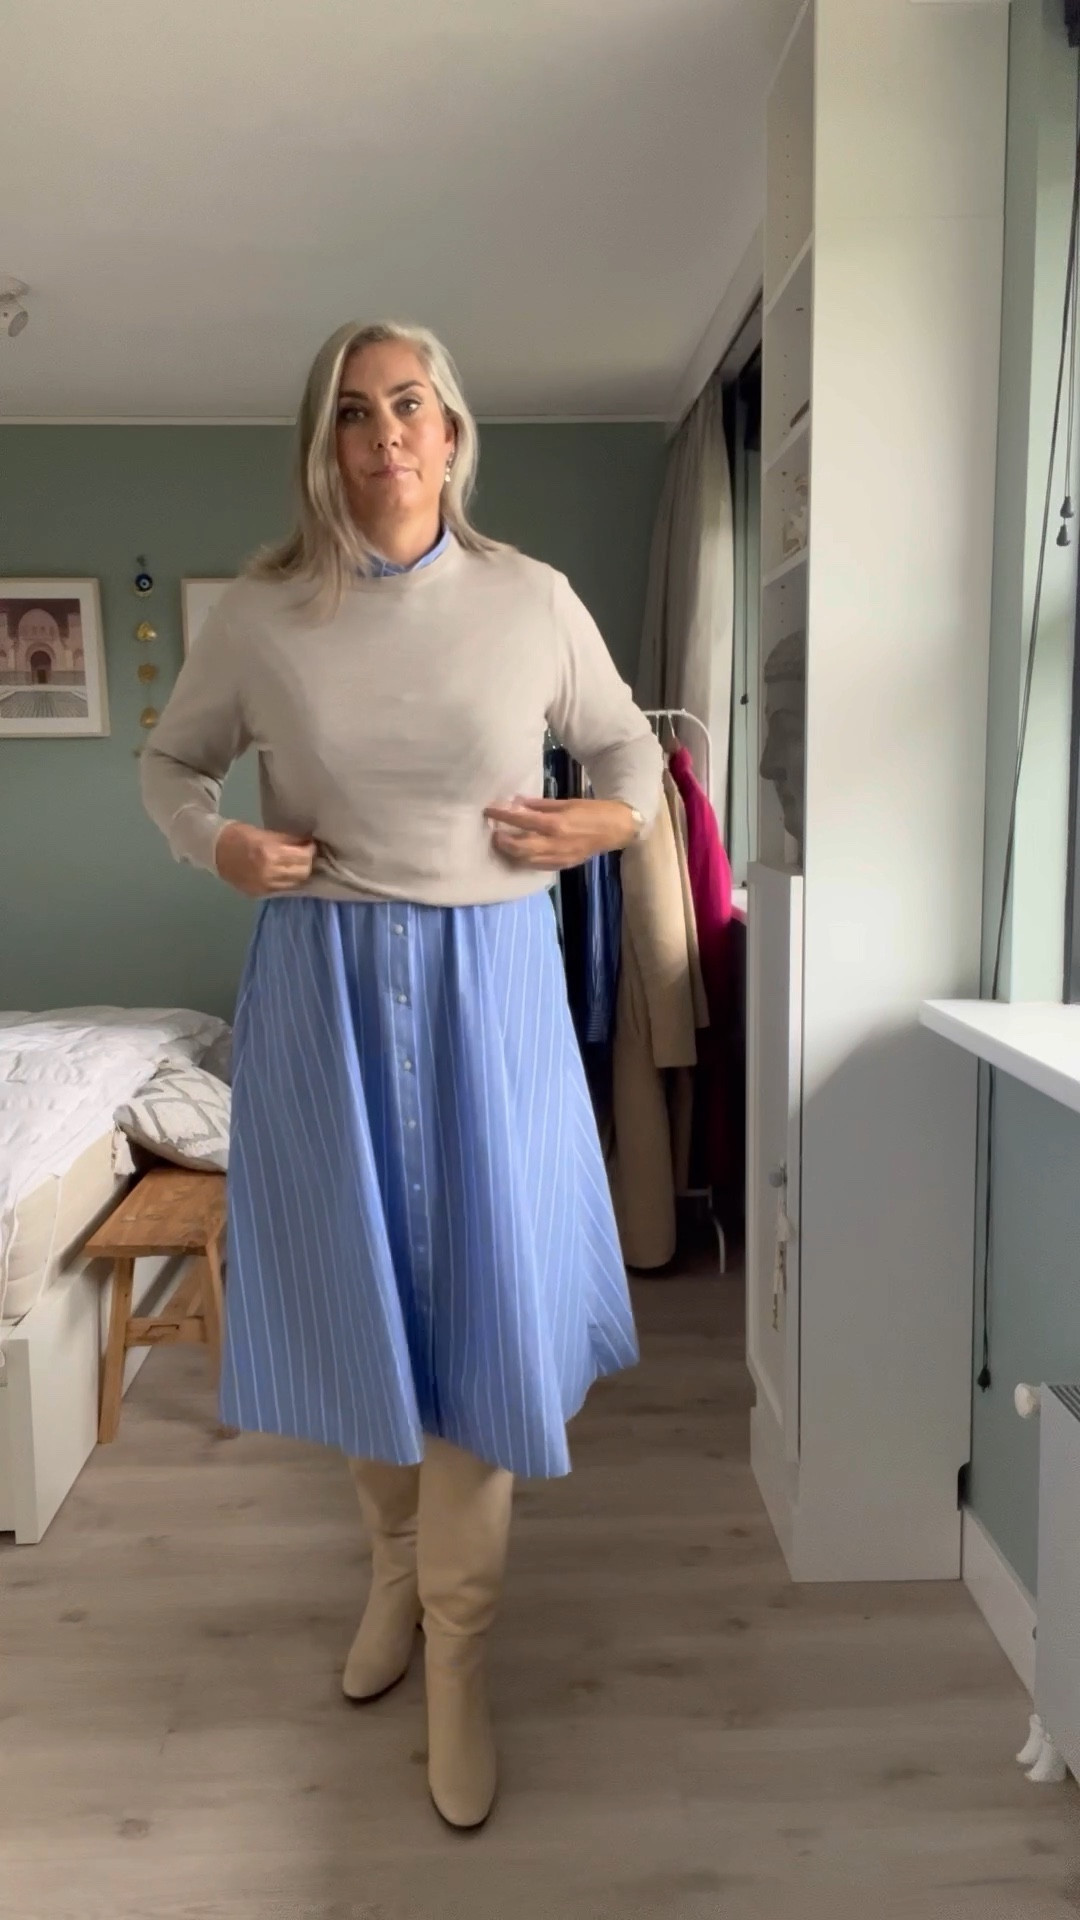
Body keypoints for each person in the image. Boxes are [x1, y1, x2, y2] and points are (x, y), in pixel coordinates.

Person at [140, 319, 663, 1829]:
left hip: (489, 985)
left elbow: (628, 755)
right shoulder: (259, 615)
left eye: (410, 406)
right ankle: (389, 1573)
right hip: (321, 982)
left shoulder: (533, 601)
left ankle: (460, 1660)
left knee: (480, 1327)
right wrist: (220, 843)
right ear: (327, 442)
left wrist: (607, 829)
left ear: (452, 434)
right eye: (355, 412)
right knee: (362, 1312)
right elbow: (168, 766)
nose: (385, 436)